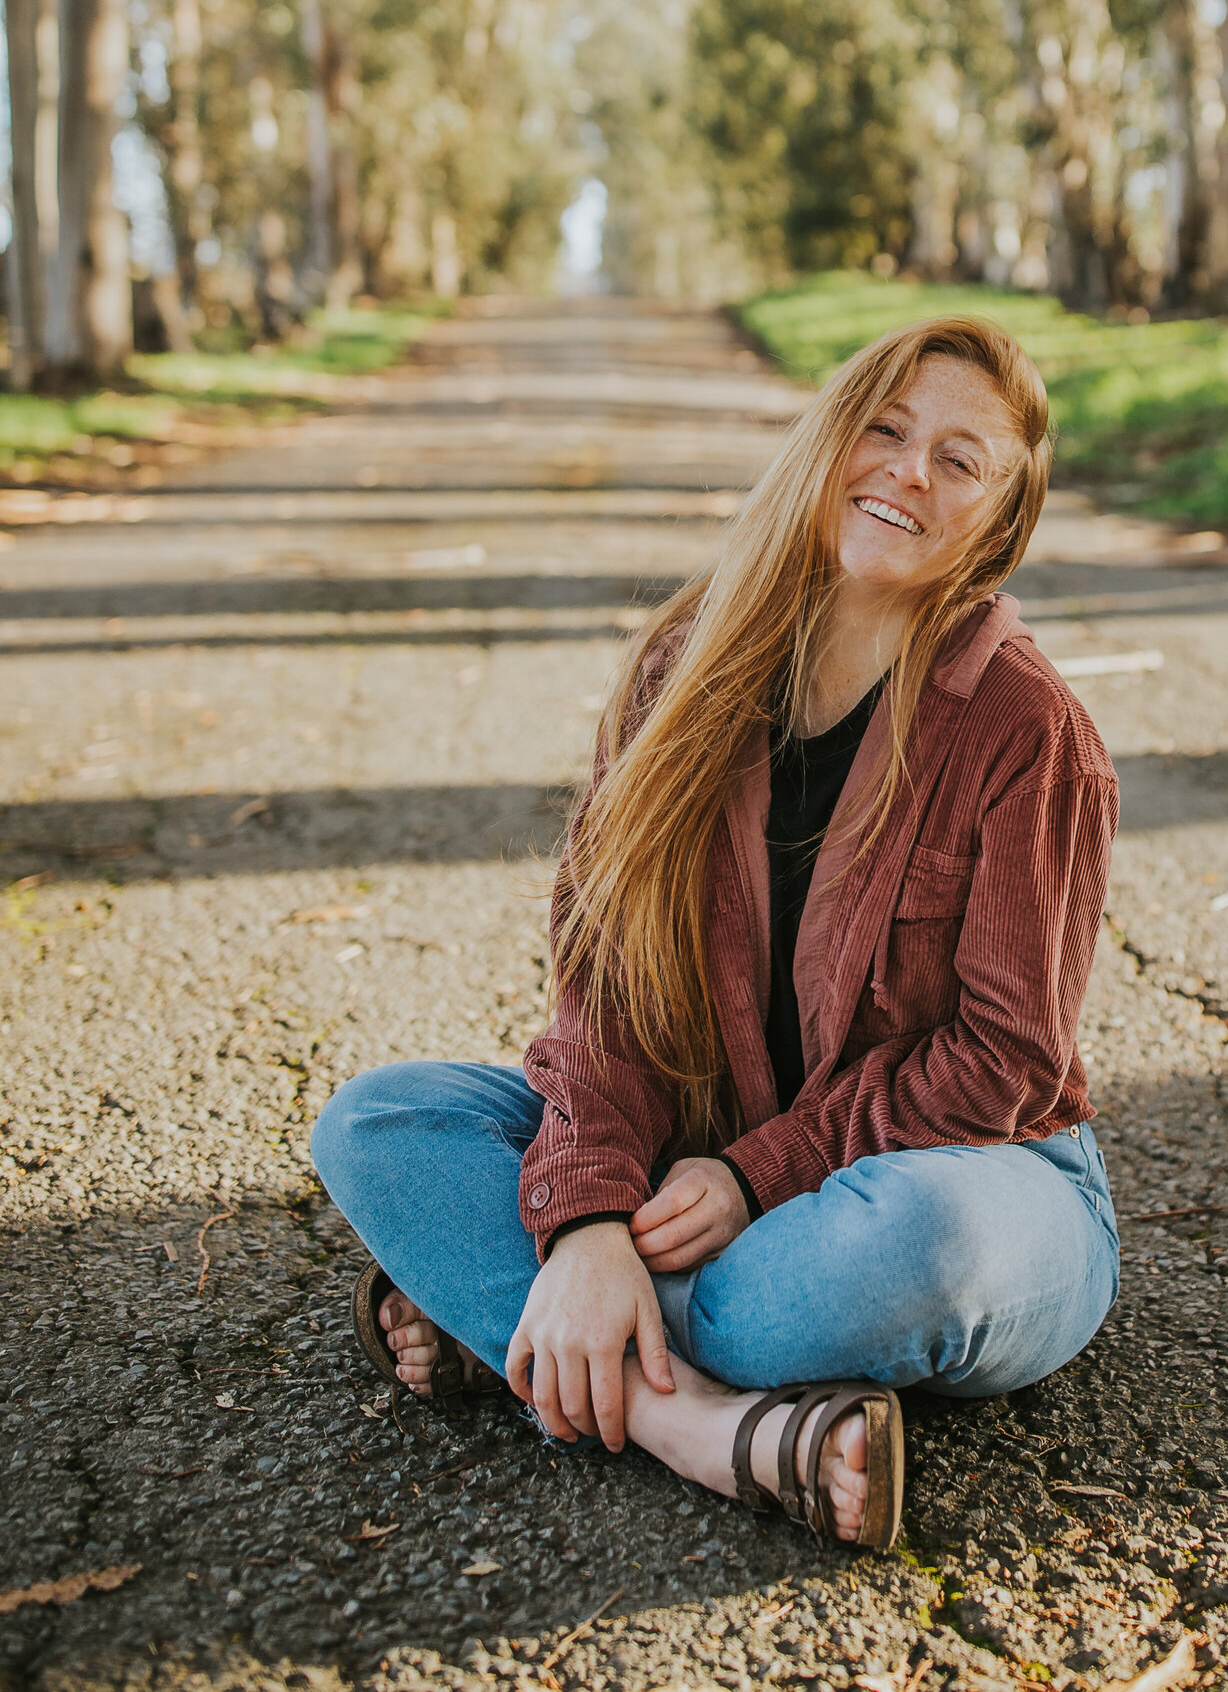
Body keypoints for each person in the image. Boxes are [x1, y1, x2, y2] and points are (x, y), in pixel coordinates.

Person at [311, 317, 1120, 1547]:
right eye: (887, 429)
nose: (909, 470)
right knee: (378, 1122)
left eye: (962, 461)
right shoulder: (684, 668)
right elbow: (605, 986)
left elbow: (1004, 1065)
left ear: (1001, 523)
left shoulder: (1026, 729)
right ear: (829, 442)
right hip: (688, 1154)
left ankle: (526, 1331)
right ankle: (701, 1423)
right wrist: (586, 1221)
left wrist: (757, 1177)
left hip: (954, 1178)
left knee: (904, 1253)